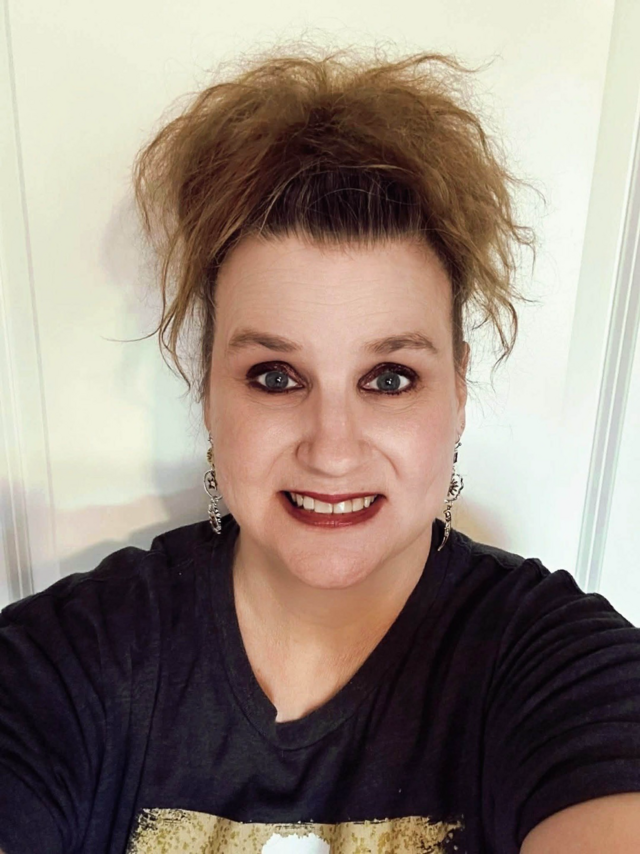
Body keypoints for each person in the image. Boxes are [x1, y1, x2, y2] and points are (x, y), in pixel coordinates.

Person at [1, 44, 639, 854]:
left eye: (390, 378)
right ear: (207, 392)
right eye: (274, 377)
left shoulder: (554, 668)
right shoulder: (66, 665)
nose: (332, 451)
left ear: (458, 389)